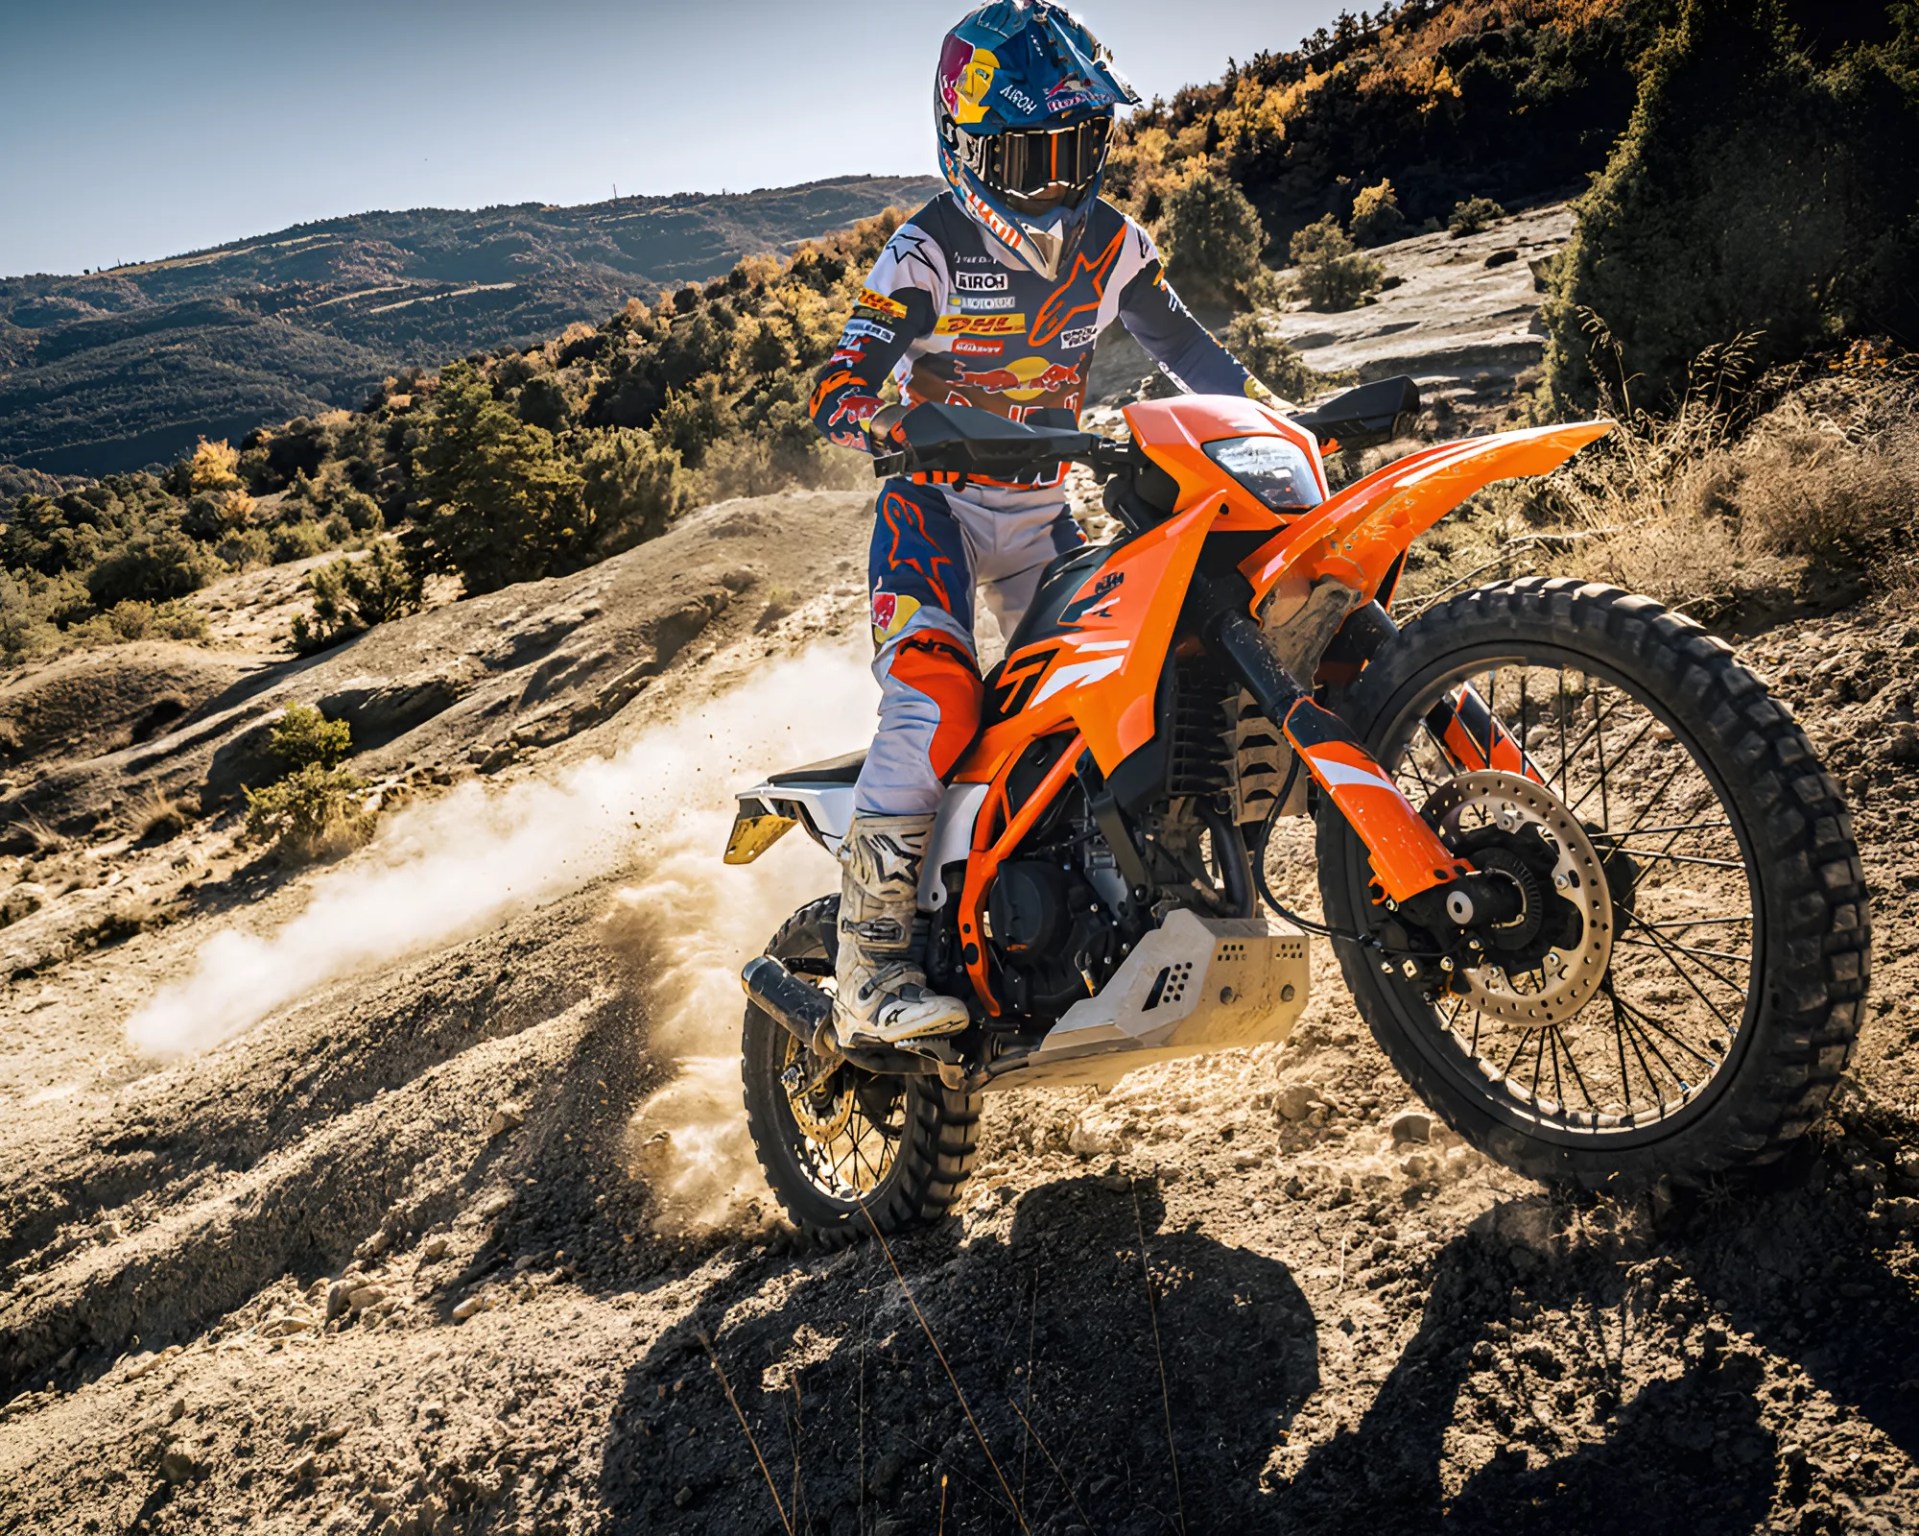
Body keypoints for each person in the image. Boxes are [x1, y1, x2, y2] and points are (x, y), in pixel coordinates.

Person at [810, 0, 1289, 1048]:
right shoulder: (924, 247)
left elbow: (1194, 357)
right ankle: (872, 965)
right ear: (967, 148)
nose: (1058, 178)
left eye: (1077, 148)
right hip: (932, 509)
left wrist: (1272, 421)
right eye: (1030, 157)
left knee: (1111, 699)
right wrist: (890, 419)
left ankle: (1087, 920)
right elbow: (837, 383)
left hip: (1044, 516)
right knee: (935, 700)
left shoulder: (1110, 241)